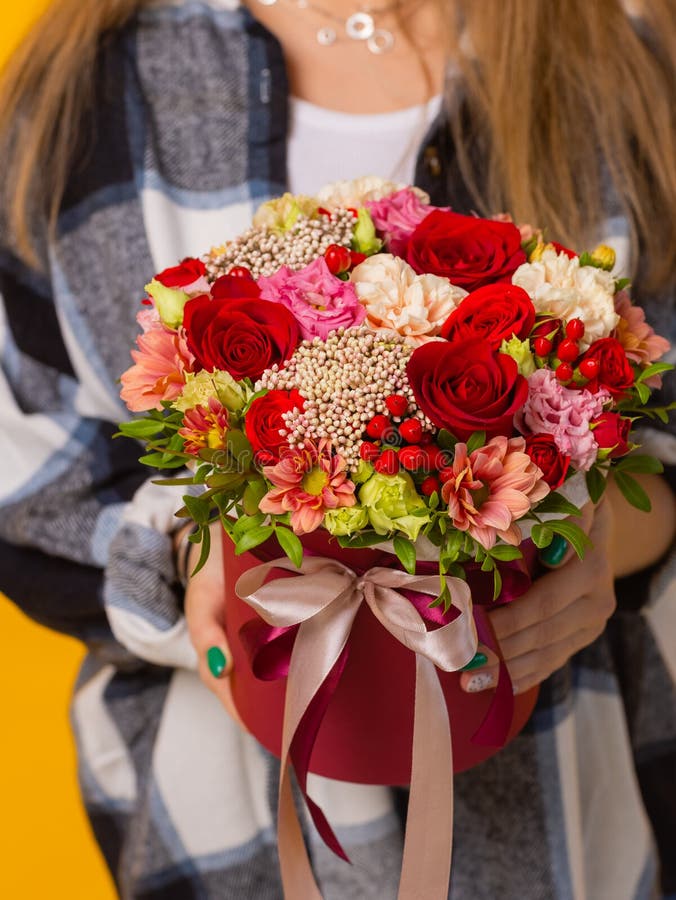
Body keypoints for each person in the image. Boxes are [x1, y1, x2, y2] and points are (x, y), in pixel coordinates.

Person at [0, 0, 674, 897]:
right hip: (217, 834)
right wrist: (200, 551)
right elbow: (30, 473)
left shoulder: (619, 62)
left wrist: (593, 533)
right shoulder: (84, 89)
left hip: (577, 825)